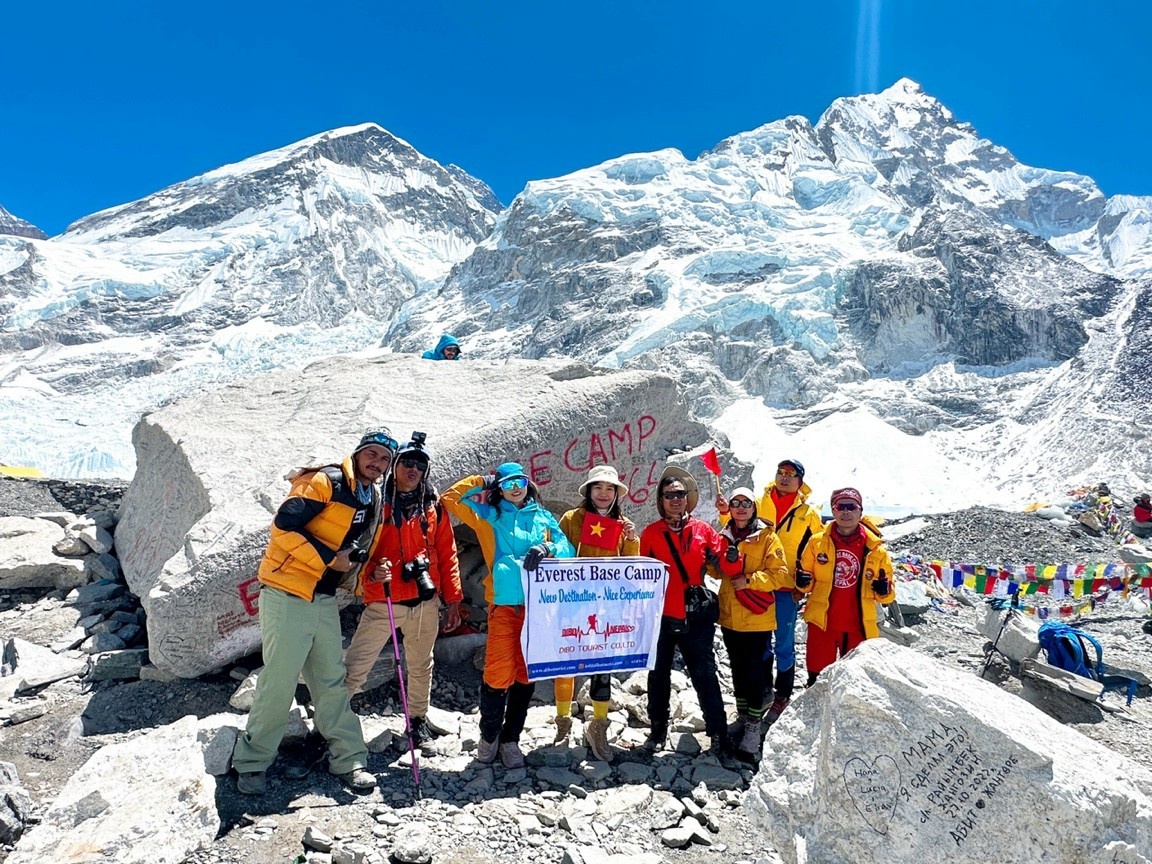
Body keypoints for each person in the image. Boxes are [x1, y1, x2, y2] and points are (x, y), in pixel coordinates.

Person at [230, 430, 395, 796]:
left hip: (322, 597)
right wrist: (326, 558)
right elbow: (283, 528)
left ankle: (349, 758)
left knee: (330, 679)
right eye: (372, 454)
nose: (377, 463)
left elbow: (354, 546)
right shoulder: (325, 481)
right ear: (358, 453)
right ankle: (252, 762)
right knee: (280, 679)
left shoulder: (370, 496)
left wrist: (366, 572)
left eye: (384, 459)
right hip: (288, 591)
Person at [441, 462, 576, 769]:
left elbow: (567, 548)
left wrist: (547, 548)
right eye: (508, 483)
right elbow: (451, 498)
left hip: (538, 608)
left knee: (526, 674)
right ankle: (489, 736)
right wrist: (485, 480)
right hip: (503, 606)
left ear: (528, 485)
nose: (516, 487)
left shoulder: (542, 516)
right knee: (497, 672)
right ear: (499, 488)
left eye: (520, 481)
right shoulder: (489, 516)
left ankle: (510, 739)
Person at [343, 432, 464, 748]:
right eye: (407, 463)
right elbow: (360, 550)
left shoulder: (433, 507)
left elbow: (448, 552)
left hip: (425, 600)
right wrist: (372, 575)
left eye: (419, 466)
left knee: (421, 664)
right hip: (384, 599)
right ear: (394, 466)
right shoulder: (376, 505)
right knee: (357, 665)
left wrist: (453, 601)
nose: (413, 470)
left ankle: (418, 721)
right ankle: (331, 721)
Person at [638, 465, 739, 757]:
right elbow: (642, 575)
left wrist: (729, 557)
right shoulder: (651, 534)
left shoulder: (703, 531)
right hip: (662, 615)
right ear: (661, 500)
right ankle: (657, 731)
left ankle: (718, 734)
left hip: (695, 615)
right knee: (658, 675)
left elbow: (723, 567)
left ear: (687, 498)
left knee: (704, 673)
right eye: (669, 494)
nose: (675, 499)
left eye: (680, 494)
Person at [716, 458, 822, 724]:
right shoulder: (759, 501)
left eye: (791, 474)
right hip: (753, 582)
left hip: (786, 588)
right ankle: (761, 693)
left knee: (784, 644)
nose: (785, 477)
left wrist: (805, 587)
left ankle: (782, 696)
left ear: (800, 481)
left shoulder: (809, 514)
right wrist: (723, 513)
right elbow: (738, 527)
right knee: (760, 646)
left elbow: (816, 551)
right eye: (781, 472)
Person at [554, 465, 639, 762]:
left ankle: (598, 725)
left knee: (602, 664)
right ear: (589, 491)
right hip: (575, 602)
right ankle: (562, 721)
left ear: (616, 494)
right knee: (566, 661)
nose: (603, 494)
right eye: (598, 488)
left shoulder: (623, 524)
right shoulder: (571, 520)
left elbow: (631, 569)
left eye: (609, 489)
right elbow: (557, 555)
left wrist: (630, 539)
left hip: (608, 606)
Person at [710, 487, 790, 759]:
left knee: (756, 672)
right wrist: (713, 562)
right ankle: (744, 716)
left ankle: (754, 726)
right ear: (730, 507)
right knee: (738, 670)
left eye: (746, 503)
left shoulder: (767, 537)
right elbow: (716, 571)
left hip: (757, 618)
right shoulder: (724, 536)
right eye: (736, 503)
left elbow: (779, 574)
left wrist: (750, 580)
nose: (741, 507)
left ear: (754, 507)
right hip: (731, 615)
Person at [796, 487, 895, 685]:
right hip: (822, 623)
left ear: (860, 511)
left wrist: (884, 591)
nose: (846, 512)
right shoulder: (816, 542)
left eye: (852, 507)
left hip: (858, 625)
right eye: (841, 507)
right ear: (833, 511)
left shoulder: (876, 549)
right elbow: (805, 583)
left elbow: (888, 597)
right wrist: (803, 583)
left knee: (856, 681)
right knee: (817, 679)